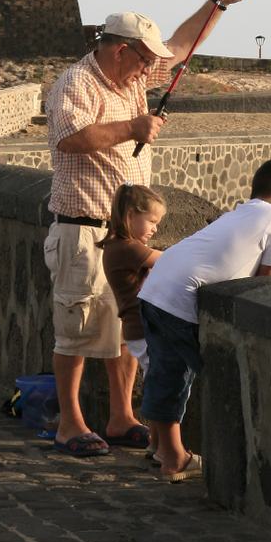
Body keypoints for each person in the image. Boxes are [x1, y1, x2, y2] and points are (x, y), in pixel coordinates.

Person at [44, 0, 256, 457]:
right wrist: (132, 127)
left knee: (126, 329)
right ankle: (70, 424)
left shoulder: (134, 74)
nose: (150, 69)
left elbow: (182, 44)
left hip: (126, 236)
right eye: (144, 59)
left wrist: (218, 2)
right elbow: (69, 138)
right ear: (121, 50)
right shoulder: (76, 83)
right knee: (76, 329)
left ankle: (121, 418)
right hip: (83, 231)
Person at [138, 157, 271, 482]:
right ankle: (174, 458)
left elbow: (240, 252)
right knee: (174, 378)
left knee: (159, 371)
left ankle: (157, 445)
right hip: (178, 300)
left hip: (156, 288)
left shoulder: (242, 211)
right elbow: (269, 274)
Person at [101, 184, 167, 460]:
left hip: (135, 328)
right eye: (151, 221)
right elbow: (169, 261)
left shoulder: (118, 246)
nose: (154, 229)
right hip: (141, 328)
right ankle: (164, 447)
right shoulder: (128, 249)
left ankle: (155, 445)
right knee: (160, 384)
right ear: (130, 215)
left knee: (155, 380)